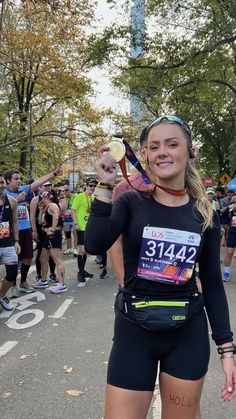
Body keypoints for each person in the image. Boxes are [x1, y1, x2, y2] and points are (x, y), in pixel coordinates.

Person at [85, 115, 236, 419]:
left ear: (189, 151)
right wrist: (104, 183)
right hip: (134, 330)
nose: (163, 151)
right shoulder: (131, 201)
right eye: (154, 147)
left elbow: (212, 282)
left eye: (172, 144)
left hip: (187, 334)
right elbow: (94, 244)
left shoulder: (204, 213)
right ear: (145, 156)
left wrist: (227, 349)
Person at [4, 165, 62, 297]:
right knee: (13, 259)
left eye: (20, 178)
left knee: (28, 258)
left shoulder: (22, 189)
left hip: (25, 229)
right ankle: (13, 286)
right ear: (8, 181)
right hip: (12, 231)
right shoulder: (5, 194)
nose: (19, 181)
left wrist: (53, 173)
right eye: (16, 179)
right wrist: (16, 200)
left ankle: (23, 282)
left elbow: (39, 182)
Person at [32, 190, 67, 293]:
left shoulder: (52, 205)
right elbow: (40, 222)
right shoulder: (46, 208)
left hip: (53, 236)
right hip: (47, 236)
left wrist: (53, 228)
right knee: (43, 258)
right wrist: (41, 210)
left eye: (42, 198)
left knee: (57, 261)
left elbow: (56, 216)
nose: (41, 200)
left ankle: (62, 284)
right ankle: (43, 280)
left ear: (45, 198)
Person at [30, 181, 58, 283]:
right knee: (41, 254)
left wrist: (57, 228)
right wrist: (34, 230)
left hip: (50, 230)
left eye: (49, 185)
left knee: (52, 253)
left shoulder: (52, 198)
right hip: (40, 230)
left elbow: (57, 214)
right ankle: (39, 274)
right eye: (45, 186)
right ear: (40, 187)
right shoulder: (35, 200)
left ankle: (52, 273)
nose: (48, 187)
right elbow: (32, 216)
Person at [0, 174, 21, 311]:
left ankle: (1, 296)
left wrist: (17, 241)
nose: (0, 185)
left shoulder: (12, 201)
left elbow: (14, 222)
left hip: (7, 242)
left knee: (13, 272)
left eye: (1, 182)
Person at [71, 178, 96, 285]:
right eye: (91, 185)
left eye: (95, 185)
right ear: (86, 186)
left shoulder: (94, 197)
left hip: (90, 227)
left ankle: (83, 270)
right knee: (81, 250)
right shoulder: (79, 196)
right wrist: (75, 223)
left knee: (85, 250)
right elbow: (73, 210)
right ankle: (80, 273)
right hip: (81, 227)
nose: (93, 187)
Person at [222, 193, 236, 282]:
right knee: (229, 252)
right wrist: (228, 208)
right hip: (233, 232)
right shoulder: (232, 207)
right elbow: (223, 216)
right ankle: (226, 272)